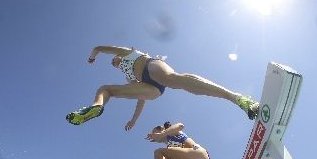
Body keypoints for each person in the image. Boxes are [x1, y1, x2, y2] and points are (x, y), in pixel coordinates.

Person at [66, 45, 260, 128]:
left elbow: (100, 47)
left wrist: (93, 57)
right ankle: (96, 107)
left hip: (151, 67)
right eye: (114, 63)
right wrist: (134, 120)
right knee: (105, 89)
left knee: (174, 79)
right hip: (151, 89)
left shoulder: (128, 52)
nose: (114, 62)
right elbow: (140, 98)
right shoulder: (127, 75)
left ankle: (236, 98)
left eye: (114, 60)